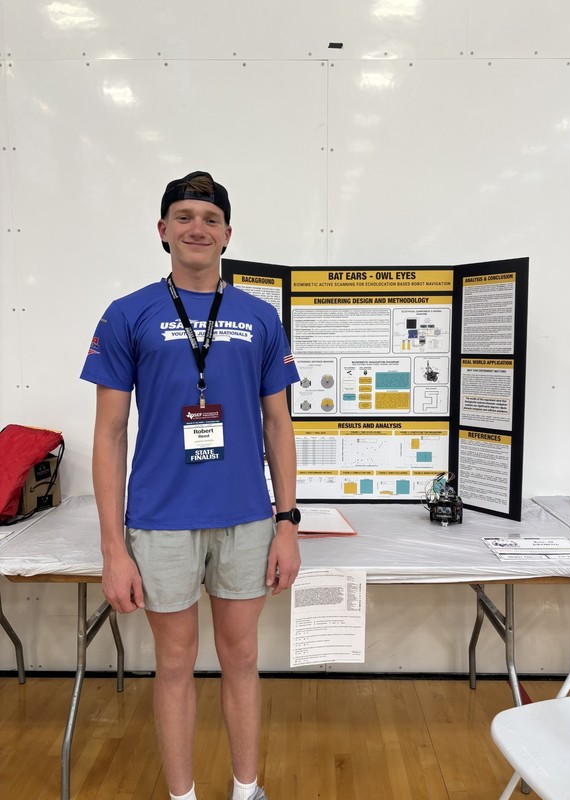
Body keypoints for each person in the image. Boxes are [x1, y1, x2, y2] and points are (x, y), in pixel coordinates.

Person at [81, 171, 301, 800]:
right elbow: (109, 435)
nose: (196, 227)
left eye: (208, 218)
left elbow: (278, 423)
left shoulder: (259, 317)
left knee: (241, 658)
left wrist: (287, 521)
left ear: (228, 233)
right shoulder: (128, 314)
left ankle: (246, 789)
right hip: (160, 520)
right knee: (175, 663)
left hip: (246, 519)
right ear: (162, 231)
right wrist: (112, 548)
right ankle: (183, 796)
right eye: (183, 217)